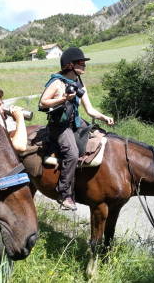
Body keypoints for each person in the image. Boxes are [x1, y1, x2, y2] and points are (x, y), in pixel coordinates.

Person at [38, 47, 114, 211]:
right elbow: (42, 103)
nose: (84, 65)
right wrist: (64, 98)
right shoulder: (57, 82)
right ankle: (64, 193)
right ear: (70, 65)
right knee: (72, 154)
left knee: (101, 135)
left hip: (75, 122)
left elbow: (89, 109)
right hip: (59, 125)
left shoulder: (79, 82)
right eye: (81, 63)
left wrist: (104, 117)